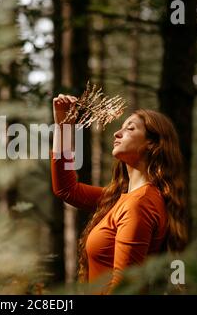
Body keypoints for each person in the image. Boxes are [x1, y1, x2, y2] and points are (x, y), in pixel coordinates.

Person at [51, 94, 188, 294]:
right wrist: (64, 125)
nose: (117, 133)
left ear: (152, 144)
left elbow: (124, 289)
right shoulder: (121, 198)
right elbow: (66, 189)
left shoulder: (139, 204)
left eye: (130, 128)